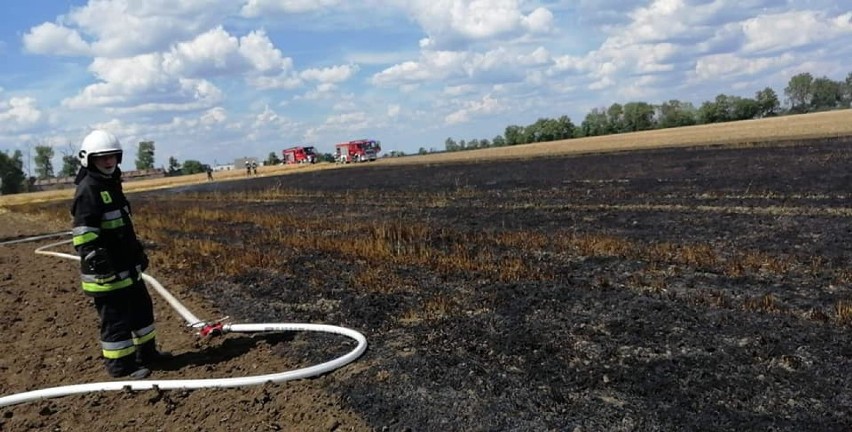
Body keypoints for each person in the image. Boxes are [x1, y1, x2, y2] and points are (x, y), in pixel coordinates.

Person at [71, 129, 170, 379]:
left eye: (112, 156)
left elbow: (123, 229)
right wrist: (96, 259)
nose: (108, 161)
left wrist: (137, 254)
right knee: (116, 322)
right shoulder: (89, 190)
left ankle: (147, 355)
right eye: (102, 158)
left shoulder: (112, 185)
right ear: (88, 159)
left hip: (127, 268)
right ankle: (121, 368)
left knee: (142, 312)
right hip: (107, 275)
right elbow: (83, 234)